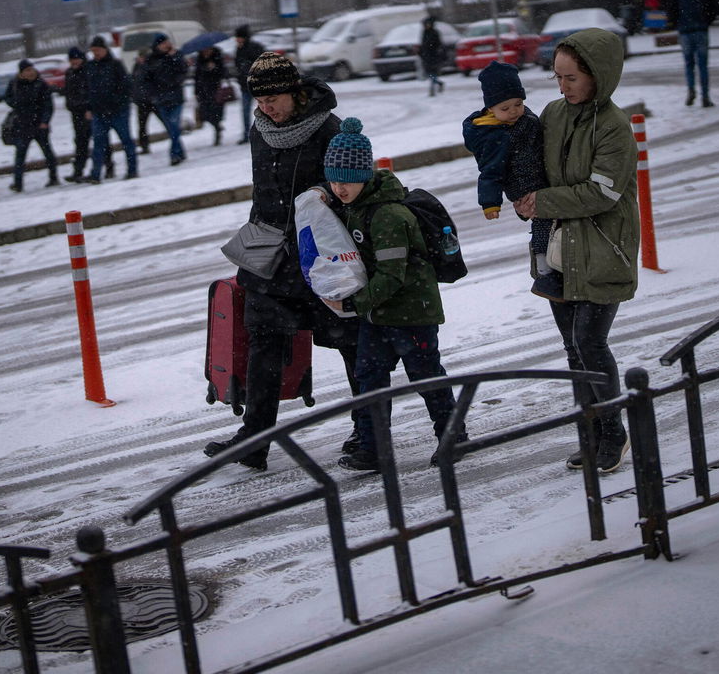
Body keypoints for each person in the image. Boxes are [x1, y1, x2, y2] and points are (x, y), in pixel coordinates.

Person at [203, 52, 360, 470]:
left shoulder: (329, 128)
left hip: (320, 256)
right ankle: (255, 440)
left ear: (294, 91)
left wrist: (328, 193)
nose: (267, 107)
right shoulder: (261, 129)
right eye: (259, 100)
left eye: (274, 98)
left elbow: (356, 182)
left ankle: (368, 432)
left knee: (349, 344)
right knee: (263, 344)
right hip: (267, 255)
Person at [513, 29, 639, 474]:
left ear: (597, 77)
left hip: (604, 247)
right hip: (557, 249)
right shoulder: (553, 113)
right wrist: (517, 190)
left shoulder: (614, 127)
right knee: (572, 347)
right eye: (557, 77)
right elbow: (531, 161)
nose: (562, 86)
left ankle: (615, 432)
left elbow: (602, 193)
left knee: (589, 340)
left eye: (571, 77)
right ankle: (590, 435)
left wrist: (542, 202)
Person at [313, 117, 462, 473]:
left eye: (347, 181)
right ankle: (374, 447)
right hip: (378, 315)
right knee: (369, 379)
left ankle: (454, 436)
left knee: (426, 377)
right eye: (334, 180)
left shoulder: (389, 216)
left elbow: (392, 276)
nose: (340, 188)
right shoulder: (353, 208)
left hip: (412, 313)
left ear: (365, 176)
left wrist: (352, 304)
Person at [462, 61, 562, 301]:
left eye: (518, 104)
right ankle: (544, 271)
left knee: (551, 221)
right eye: (506, 108)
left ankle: (552, 264)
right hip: (522, 183)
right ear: (491, 109)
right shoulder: (493, 135)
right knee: (542, 219)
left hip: (538, 175)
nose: (514, 111)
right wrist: (490, 203)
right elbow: (490, 171)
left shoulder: (524, 119)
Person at [84, 35, 137, 182]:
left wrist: (118, 101)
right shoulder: (90, 66)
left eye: (98, 50)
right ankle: (95, 174)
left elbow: (126, 86)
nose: (96, 53)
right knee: (98, 145)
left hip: (118, 110)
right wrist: (90, 107)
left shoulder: (115, 65)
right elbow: (88, 89)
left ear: (105, 49)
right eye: (93, 51)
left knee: (126, 140)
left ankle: (132, 170)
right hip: (99, 112)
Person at [667, 0, 719, 107]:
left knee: (689, 64)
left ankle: (691, 89)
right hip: (701, 30)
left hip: (685, 31)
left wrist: (677, 23)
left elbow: (671, 11)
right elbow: (713, 9)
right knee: (703, 65)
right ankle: (705, 95)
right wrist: (706, 21)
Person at [4, 58, 58, 192]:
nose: (30, 73)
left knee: (48, 152)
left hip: (39, 124)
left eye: (31, 69)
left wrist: (45, 121)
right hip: (23, 125)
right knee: (20, 155)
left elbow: (48, 105)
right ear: (21, 72)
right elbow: (8, 98)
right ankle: (18, 183)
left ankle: (53, 177)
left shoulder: (41, 84)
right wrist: (17, 105)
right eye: (27, 70)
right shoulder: (15, 83)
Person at [140, 32, 190, 165]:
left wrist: (175, 58)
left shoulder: (175, 55)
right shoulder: (151, 59)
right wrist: (152, 94)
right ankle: (180, 152)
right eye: (163, 43)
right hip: (161, 99)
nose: (166, 45)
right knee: (171, 128)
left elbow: (183, 70)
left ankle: (174, 154)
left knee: (174, 125)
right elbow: (145, 79)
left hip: (176, 97)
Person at [64, 46, 103, 182]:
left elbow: (92, 91)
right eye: (72, 59)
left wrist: (89, 108)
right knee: (80, 142)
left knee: (98, 140)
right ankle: (78, 170)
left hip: (89, 111)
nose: (74, 62)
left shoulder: (88, 71)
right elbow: (69, 92)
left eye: (76, 59)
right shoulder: (69, 73)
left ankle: (108, 167)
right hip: (76, 112)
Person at [232, 25, 266, 145]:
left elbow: (258, 64)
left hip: (256, 84)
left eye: (238, 37)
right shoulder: (239, 49)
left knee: (263, 109)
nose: (236, 40)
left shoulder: (253, 48)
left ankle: (263, 131)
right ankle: (247, 133)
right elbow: (238, 65)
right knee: (246, 110)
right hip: (245, 85)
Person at [193, 45, 228, 146]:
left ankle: (217, 131)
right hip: (202, 91)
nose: (206, 52)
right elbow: (196, 76)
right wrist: (196, 91)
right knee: (205, 114)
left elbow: (224, 72)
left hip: (215, 90)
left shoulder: (217, 57)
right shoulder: (199, 59)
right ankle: (217, 126)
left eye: (208, 49)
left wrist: (214, 68)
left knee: (215, 112)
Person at [131, 47, 155, 155]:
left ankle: (175, 139)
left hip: (151, 99)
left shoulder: (149, 66)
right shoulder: (137, 67)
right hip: (141, 101)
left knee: (165, 121)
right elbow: (134, 81)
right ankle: (144, 145)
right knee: (142, 125)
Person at [418, 16, 446, 96]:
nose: (427, 25)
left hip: (434, 56)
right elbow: (423, 44)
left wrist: (439, 53)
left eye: (428, 24)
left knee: (433, 72)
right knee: (429, 73)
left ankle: (432, 88)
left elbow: (439, 44)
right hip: (426, 56)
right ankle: (438, 83)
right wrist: (421, 52)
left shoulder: (435, 32)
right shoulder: (424, 32)